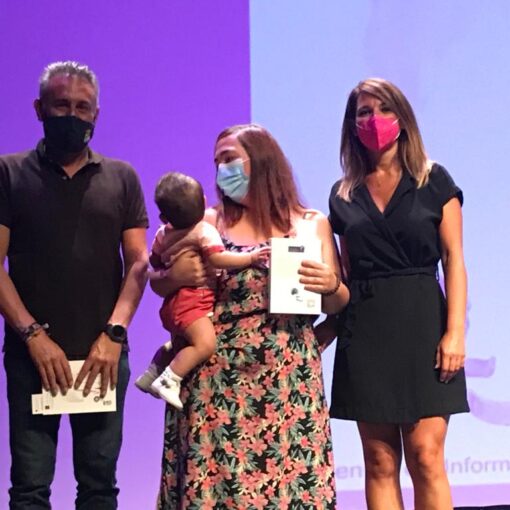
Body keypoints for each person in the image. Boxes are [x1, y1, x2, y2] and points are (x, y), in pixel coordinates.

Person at [152, 124, 349, 509]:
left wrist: (331, 285)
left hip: (289, 383)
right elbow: (158, 280)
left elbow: (338, 304)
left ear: (261, 160)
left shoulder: (311, 223)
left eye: (229, 158)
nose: (220, 169)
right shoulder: (206, 224)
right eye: (217, 162)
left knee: (293, 489)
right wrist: (176, 276)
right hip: (216, 380)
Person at [0, 61, 149, 509]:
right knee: (30, 489)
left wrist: (114, 335)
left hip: (103, 356)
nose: (73, 115)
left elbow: (138, 264)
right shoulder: (8, 173)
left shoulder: (122, 177)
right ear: (39, 109)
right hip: (32, 356)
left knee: (99, 488)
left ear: (96, 114)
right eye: (61, 105)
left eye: (83, 107)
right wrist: (32, 335)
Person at [328, 78, 469, 510]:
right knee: (379, 461)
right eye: (364, 112)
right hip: (365, 333)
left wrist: (455, 333)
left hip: (424, 325)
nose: (375, 120)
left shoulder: (433, 179)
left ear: (403, 118)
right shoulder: (342, 194)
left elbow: (454, 259)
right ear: (352, 125)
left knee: (426, 456)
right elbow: (344, 275)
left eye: (385, 109)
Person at [135, 171, 269, 409]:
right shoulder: (204, 231)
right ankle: (169, 380)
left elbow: (155, 261)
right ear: (204, 201)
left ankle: (153, 370)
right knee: (204, 344)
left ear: (164, 216)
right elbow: (218, 258)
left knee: (185, 341)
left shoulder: (162, 233)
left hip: (173, 303)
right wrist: (250, 258)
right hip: (193, 302)